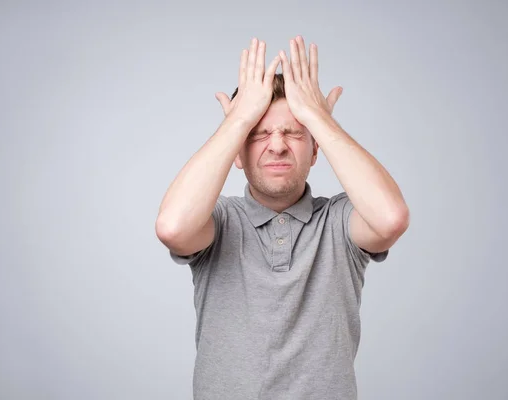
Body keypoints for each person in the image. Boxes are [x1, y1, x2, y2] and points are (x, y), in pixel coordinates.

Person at [155, 35, 410, 400]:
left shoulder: (339, 221)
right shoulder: (220, 221)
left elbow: (390, 218)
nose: (277, 145)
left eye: (293, 132)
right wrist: (240, 119)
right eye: (258, 135)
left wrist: (319, 119)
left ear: (315, 150)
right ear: (237, 152)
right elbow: (172, 227)